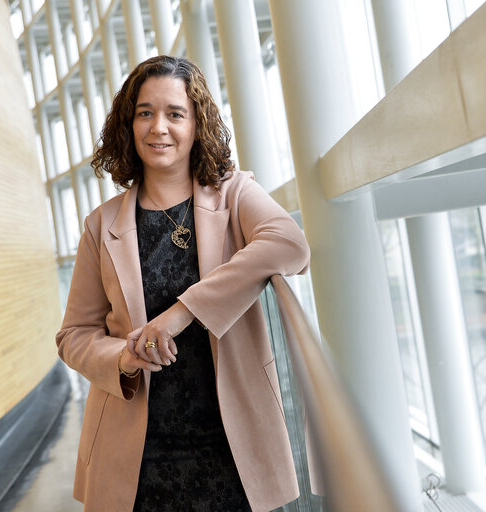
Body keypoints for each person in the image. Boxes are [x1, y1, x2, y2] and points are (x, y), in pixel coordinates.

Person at [55, 55, 310, 512]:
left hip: (229, 446)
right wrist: (125, 356)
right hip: (134, 455)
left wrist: (179, 314)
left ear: (197, 125)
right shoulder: (101, 225)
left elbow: (289, 243)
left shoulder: (234, 193)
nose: (159, 128)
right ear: (128, 124)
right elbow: (74, 336)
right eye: (145, 112)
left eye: (175, 114)